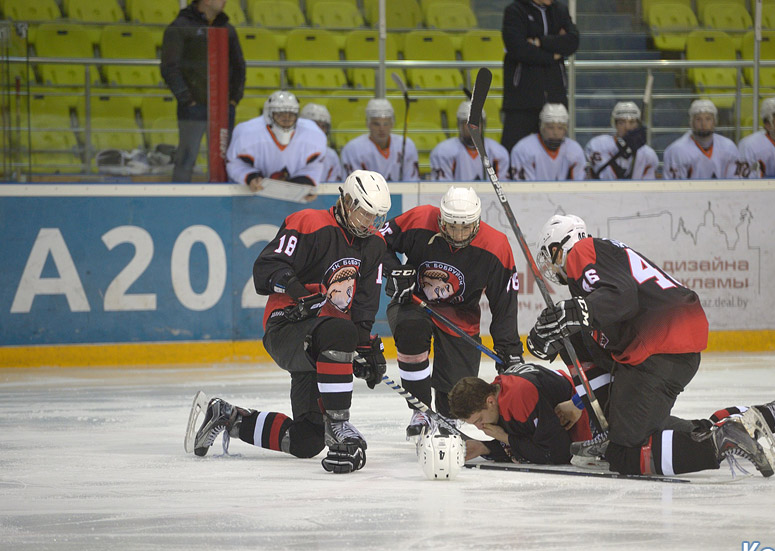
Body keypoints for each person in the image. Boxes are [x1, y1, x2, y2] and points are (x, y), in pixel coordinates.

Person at [524, 214, 775, 478]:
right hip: (671, 345)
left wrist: (574, 314)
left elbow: (621, 298)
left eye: (549, 257)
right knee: (649, 433)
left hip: (657, 347)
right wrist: (555, 334)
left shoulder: (582, 252)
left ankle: (719, 443)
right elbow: (596, 336)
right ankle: (771, 416)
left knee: (626, 454)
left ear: (558, 247)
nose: (550, 267)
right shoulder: (603, 262)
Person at [190, 170, 391, 474]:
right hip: (287, 327)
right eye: (364, 213)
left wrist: (364, 351)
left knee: (306, 441)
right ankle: (339, 425)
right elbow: (266, 268)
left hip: (326, 339)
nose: (369, 223)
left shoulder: (374, 244)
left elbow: (363, 305)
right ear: (347, 202)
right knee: (340, 331)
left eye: (376, 217)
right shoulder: (309, 222)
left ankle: (230, 417)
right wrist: (299, 294)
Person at [381, 186, 523, 436]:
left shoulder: (496, 245)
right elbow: (377, 241)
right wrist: (394, 271)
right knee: (411, 329)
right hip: (412, 301)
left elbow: (504, 303)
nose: (458, 234)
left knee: (455, 402)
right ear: (441, 219)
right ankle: (420, 410)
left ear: (476, 222)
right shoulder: (420, 218)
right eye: (451, 226)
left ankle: (445, 420)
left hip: (461, 317)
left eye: (465, 227)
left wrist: (509, 350)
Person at [161, 0, 246, 183]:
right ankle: (179, 199)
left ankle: (223, 201)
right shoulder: (180, 27)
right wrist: (187, 99)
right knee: (187, 156)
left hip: (223, 107)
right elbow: (169, 67)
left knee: (224, 159)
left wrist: (233, 99)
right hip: (193, 107)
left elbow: (239, 66)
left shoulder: (227, 29)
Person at [448, 362, 592, 464]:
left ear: (490, 401)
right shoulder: (498, 390)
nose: (480, 427)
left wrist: (505, 438)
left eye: (479, 420)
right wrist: (485, 448)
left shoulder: (519, 397)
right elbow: (526, 438)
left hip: (589, 418)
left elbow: (556, 453)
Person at [500, 0, 579, 152]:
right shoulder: (515, 11)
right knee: (512, 151)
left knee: (556, 153)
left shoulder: (559, 10)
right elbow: (518, 49)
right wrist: (553, 55)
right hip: (521, 102)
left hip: (555, 99)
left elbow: (572, 42)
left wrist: (539, 41)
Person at [225, 90, 326, 196]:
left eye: (291, 114)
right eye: (280, 114)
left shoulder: (314, 134)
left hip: (292, 202)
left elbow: (316, 164)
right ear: (269, 115)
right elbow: (233, 162)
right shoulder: (246, 133)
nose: (286, 119)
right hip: (252, 200)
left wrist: (306, 182)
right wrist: (250, 177)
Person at [429, 100, 510, 181]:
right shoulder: (443, 152)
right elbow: (442, 189)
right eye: (467, 123)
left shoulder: (498, 153)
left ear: (483, 124)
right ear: (459, 125)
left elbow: (504, 189)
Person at [341, 98, 419, 182]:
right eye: (376, 124)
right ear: (368, 124)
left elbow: (412, 183)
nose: (382, 129)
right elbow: (352, 186)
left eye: (386, 124)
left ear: (392, 124)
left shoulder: (407, 145)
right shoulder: (353, 149)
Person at [663, 99, 741, 179]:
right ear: (691, 122)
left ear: (715, 122)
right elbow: (675, 188)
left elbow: (736, 183)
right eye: (698, 119)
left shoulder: (728, 147)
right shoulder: (676, 151)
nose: (703, 124)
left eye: (708, 119)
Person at [509, 103, 585, 181]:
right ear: (542, 128)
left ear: (566, 130)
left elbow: (578, 187)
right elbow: (525, 189)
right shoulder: (523, 149)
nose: (555, 133)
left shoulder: (575, 150)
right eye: (550, 127)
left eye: (560, 128)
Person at [584, 101, 658, 180]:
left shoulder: (648, 154)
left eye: (632, 122)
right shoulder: (598, 145)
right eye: (621, 122)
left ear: (638, 125)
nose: (627, 127)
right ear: (615, 125)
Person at [300, 102, 344, 183]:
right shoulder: (290, 151)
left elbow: (332, 190)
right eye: (314, 125)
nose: (319, 131)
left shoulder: (331, 156)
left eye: (323, 126)